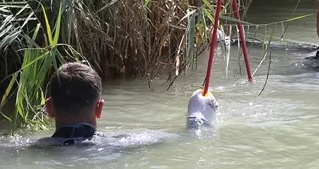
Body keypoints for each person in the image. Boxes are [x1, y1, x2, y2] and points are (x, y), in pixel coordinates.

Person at [44, 61, 219, 146]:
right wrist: (198, 117)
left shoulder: (24, 148)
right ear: (99, 108)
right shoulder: (126, 143)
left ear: (49, 107)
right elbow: (191, 138)